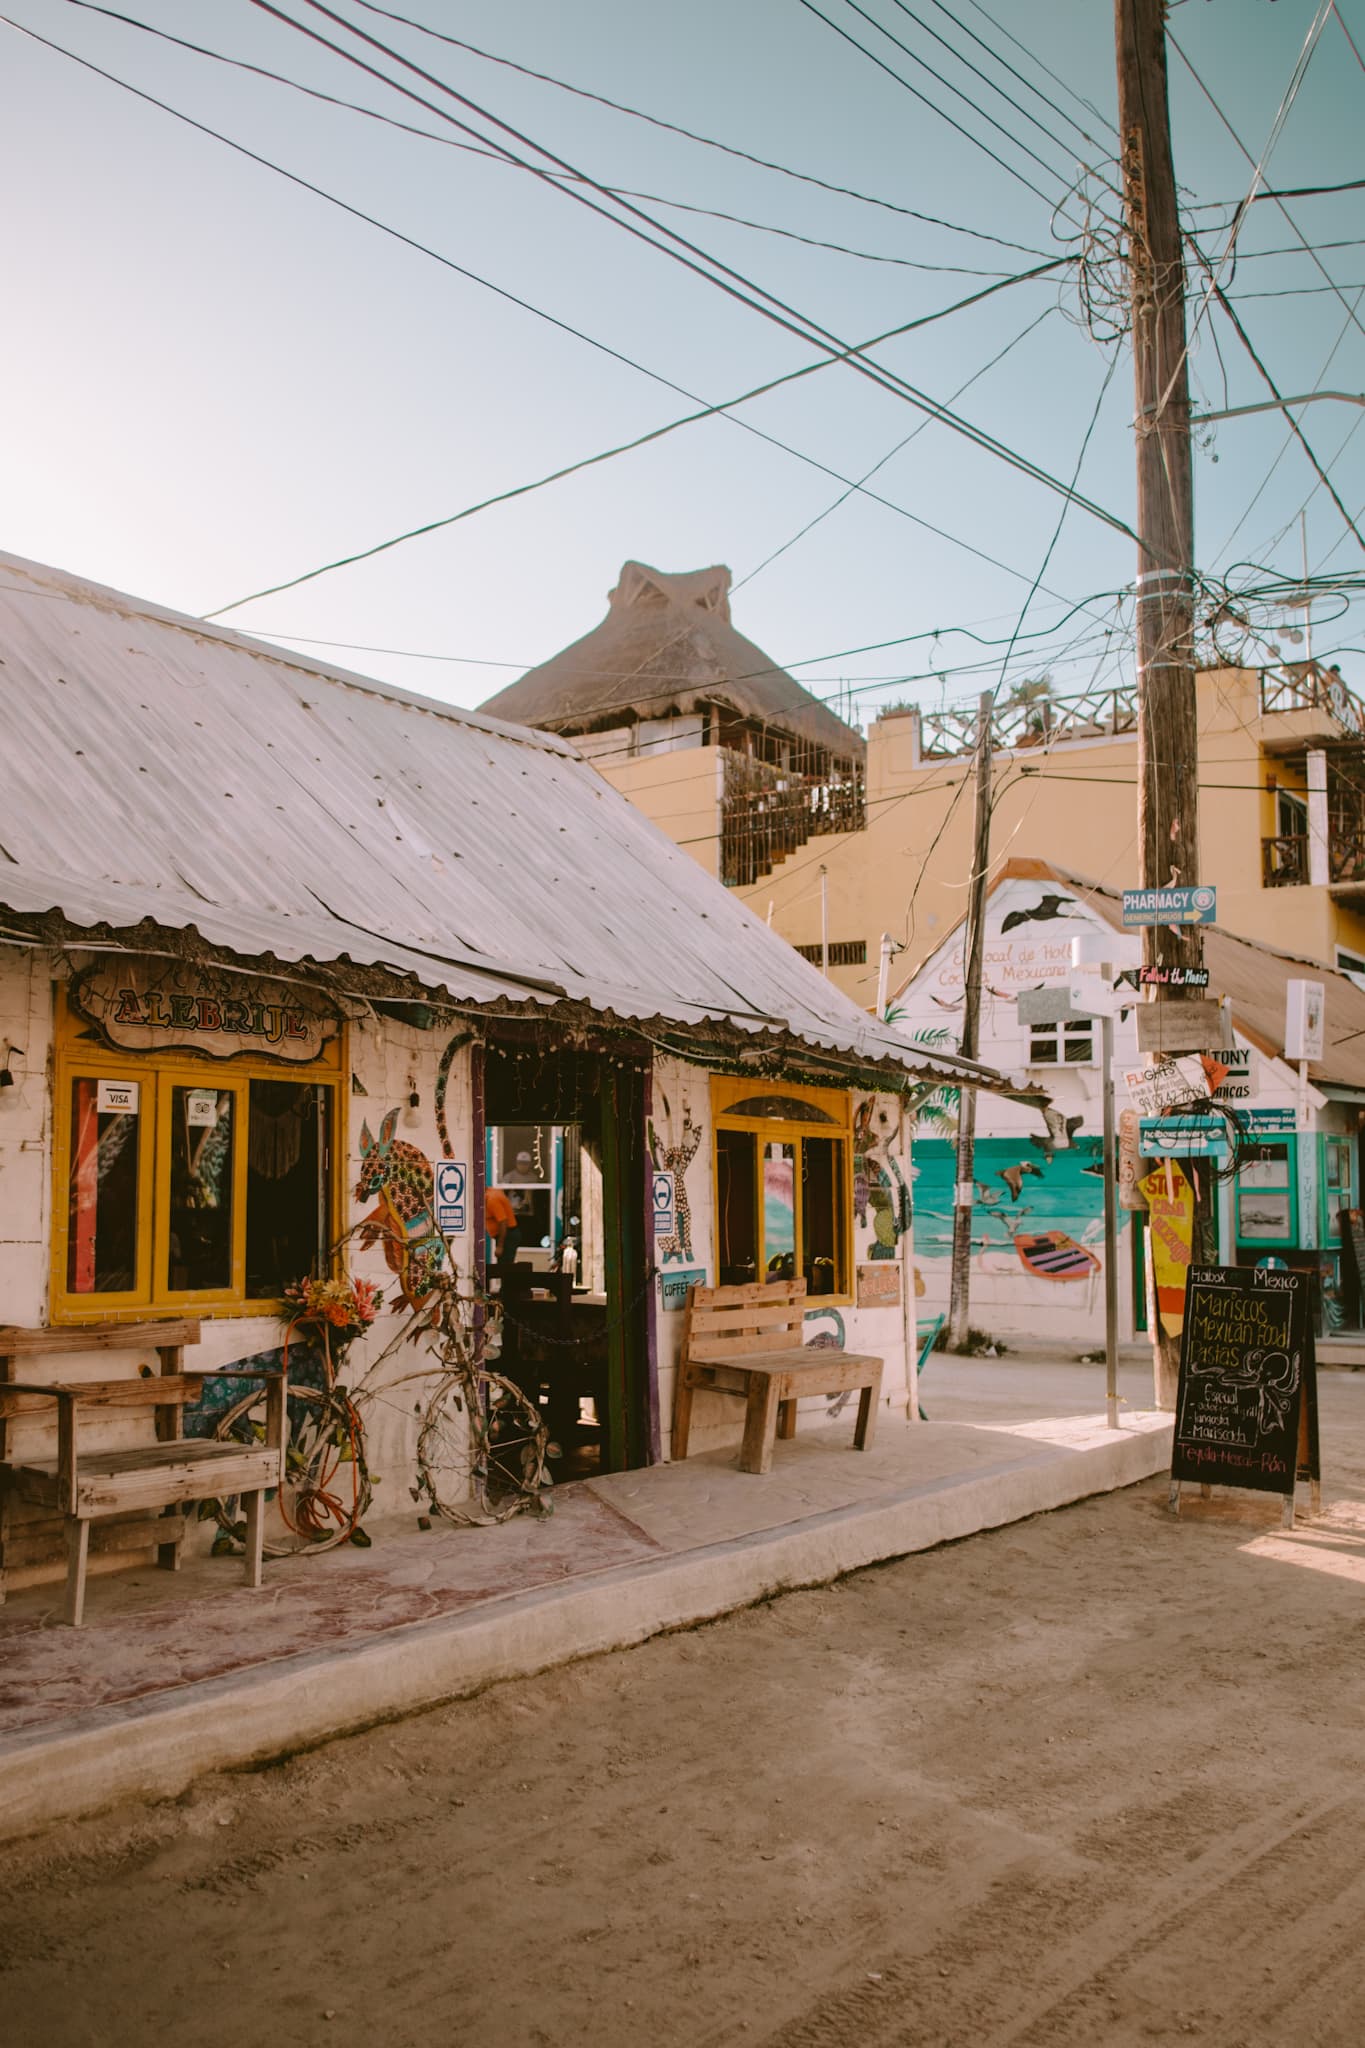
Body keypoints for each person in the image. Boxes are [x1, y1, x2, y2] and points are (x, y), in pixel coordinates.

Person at [486, 1186, 521, 1272]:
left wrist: (500, 1246)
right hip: (507, 1234)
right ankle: (506, 1284)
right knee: (504, 1267)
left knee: (505, 1268)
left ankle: (507, 1285)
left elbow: (503, 1222)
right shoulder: (493, 1192)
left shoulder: (492, 1200)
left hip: (507, 1236)